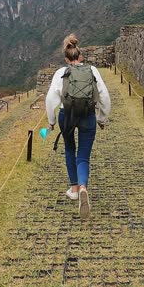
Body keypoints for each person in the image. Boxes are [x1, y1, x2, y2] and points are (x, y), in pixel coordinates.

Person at [46, 34, 111, 219]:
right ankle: (83, 186)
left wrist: (51, 122)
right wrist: (102, 118)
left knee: (69, 149)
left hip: (66, 115)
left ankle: (74, 188)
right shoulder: (92, 71)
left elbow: (50, 100)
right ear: (80, 56)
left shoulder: (60, 73)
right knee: (83, 156)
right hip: (88, 115)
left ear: (66, 58)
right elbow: (104, 96)